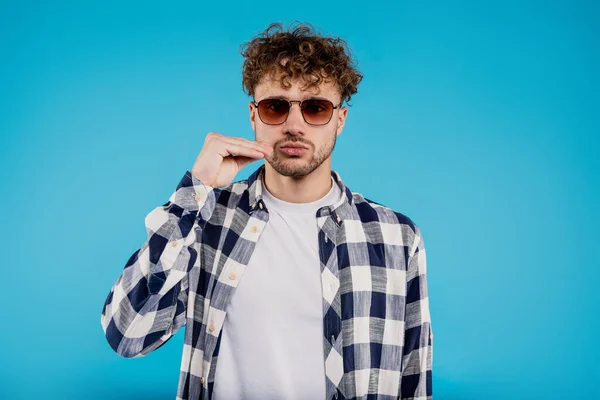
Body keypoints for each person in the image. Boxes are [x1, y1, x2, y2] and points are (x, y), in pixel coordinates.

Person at [101, 22, 433, 400]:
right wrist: (196, 189)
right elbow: (126, 333)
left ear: (340, 119)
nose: (295, 125)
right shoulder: (207, 219)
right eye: (276, 107)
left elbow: (414, 375)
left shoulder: (395, 237)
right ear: (253, 115)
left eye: (316, 107)